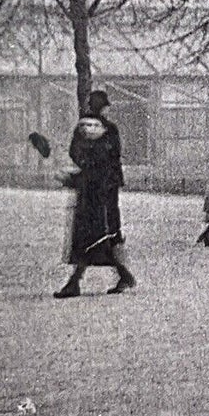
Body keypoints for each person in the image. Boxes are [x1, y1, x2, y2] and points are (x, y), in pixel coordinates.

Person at [56, 90, 135, 297]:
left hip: (90, 187)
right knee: (105, 232)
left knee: (88, 232)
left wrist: (86, 168)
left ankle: (75, 282)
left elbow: (75, 153)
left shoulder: (81, 129)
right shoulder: (111, 130)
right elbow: (114, 156)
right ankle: (121, 274)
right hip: (107, 189)